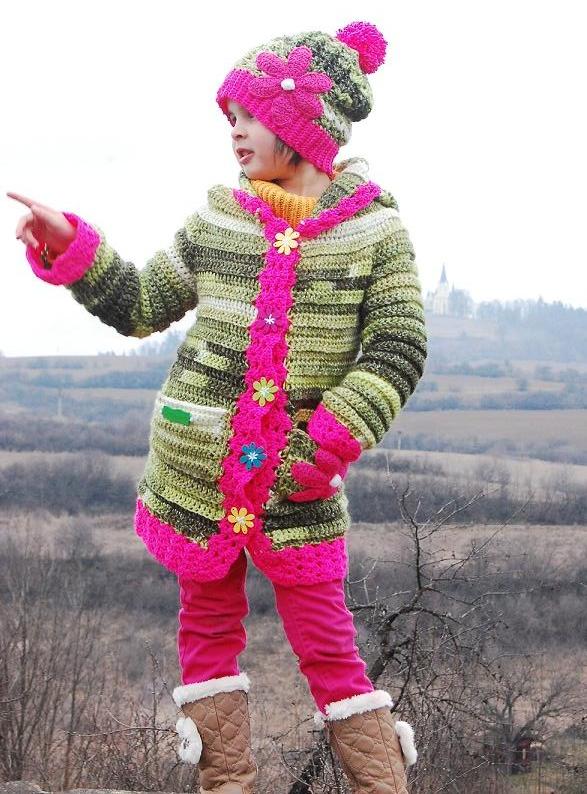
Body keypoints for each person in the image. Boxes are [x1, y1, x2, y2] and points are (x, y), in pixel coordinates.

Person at [8, 20, 424, 793]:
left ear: (303, 127)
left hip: (298, 484)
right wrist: (72, 247)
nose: (233, 130)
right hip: (197, 476)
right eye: (229, 116)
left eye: (249, 115)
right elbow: (141, 302)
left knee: (328, 647)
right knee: (204, 633)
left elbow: (396, 349)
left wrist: (322, 444)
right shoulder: (217, 221)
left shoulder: (374, 233)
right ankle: (224, 784)